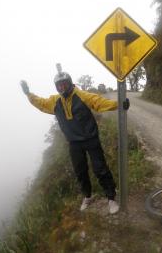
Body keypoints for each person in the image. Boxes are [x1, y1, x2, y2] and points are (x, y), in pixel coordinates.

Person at [20, 64, 129, 214]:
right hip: (73, 143)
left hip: (91, 139)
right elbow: (41, 103)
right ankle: (88, 196)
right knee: (80, 171)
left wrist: (118, 104)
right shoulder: (55, 101)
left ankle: (111, 198)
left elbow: (98, 102)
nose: (62, 88)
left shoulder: (82, 95)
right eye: (59, 86)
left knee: (100, 169)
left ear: (70, 83)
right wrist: (28, 94)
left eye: (64, 84)